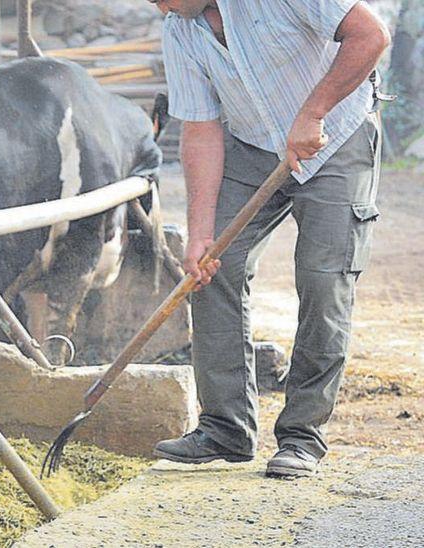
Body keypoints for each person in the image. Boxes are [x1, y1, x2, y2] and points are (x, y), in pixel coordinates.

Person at [149, 0, 391, 478]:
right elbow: (201, 129)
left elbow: (371, 35)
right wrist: (200, 234)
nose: (160, 5)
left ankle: (302, 437)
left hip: (335, 137)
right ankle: (225, 429)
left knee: (324, 280)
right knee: (210, 267)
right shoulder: (180, 30)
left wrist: (315, 111)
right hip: (252, 146)